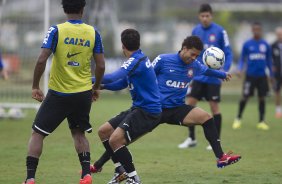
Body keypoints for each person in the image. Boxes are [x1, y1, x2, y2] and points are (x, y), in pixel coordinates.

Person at [90, 36, 241, 183]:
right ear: (184, 49)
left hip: (176, 109)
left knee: (206, 117)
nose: (194, 58)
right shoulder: (163, 60)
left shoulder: (194, 65)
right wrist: (98, 84)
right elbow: (146, 74)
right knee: (120, 140)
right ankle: (103, 166)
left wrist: (222, 74)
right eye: (192, 54)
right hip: (155, 109)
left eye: (197, 56)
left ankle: (221, 157)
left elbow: (206, 71)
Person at [22, 0, 105, 184]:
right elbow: (100, 65)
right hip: (83, 93)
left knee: (38, 133)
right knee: (79, 133)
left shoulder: (56, 30)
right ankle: (86, 174)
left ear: (64, 9)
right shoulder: (93, 32)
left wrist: (35, 85)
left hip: (59, 93)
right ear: (83, 9)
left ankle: (30, 178)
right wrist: (96, 87)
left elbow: (42, 59)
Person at [94, 28, 162, 184]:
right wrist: (101, 87)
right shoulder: (138, 59)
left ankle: (133, 178)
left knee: (115, 140)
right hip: (138, 109)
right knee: (104, 132)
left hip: (148, 112)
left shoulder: (136, 60)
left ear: (122, 45)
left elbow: (113, 76)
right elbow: (122, 83)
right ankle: (121, 171)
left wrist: (89, 79)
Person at [178, 3, 233, 150]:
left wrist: (224, 70)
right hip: (197, 76)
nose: (205, 18)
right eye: (202, 16)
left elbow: (228, 51)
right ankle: (191, 138)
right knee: (190, 104)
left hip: (213, 77)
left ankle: (215, 140)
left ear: (211, 16)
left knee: (214, 107)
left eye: (207, 16)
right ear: (199, 16)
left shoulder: (220, 31)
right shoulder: (196, 30)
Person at [232, 22, 273, 130]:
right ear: (252, 30)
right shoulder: (247, 44)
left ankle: (261, 121)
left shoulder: (265, 45)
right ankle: (238, 118)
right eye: (255, 29)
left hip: (262, 76)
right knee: (245, 97)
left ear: (261, 30)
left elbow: (269, 60)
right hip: (250, 76)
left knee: (262, 98)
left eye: (258, 29)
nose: (256, 31)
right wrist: (240, 69)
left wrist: (272, 75)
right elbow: (242, 59)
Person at [271, 27, 282, 118]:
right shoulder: (273, 46)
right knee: (277, 91)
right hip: (277, 74)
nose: (280, 36)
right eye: (278, 34)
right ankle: (278, 111)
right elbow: (270, 59)